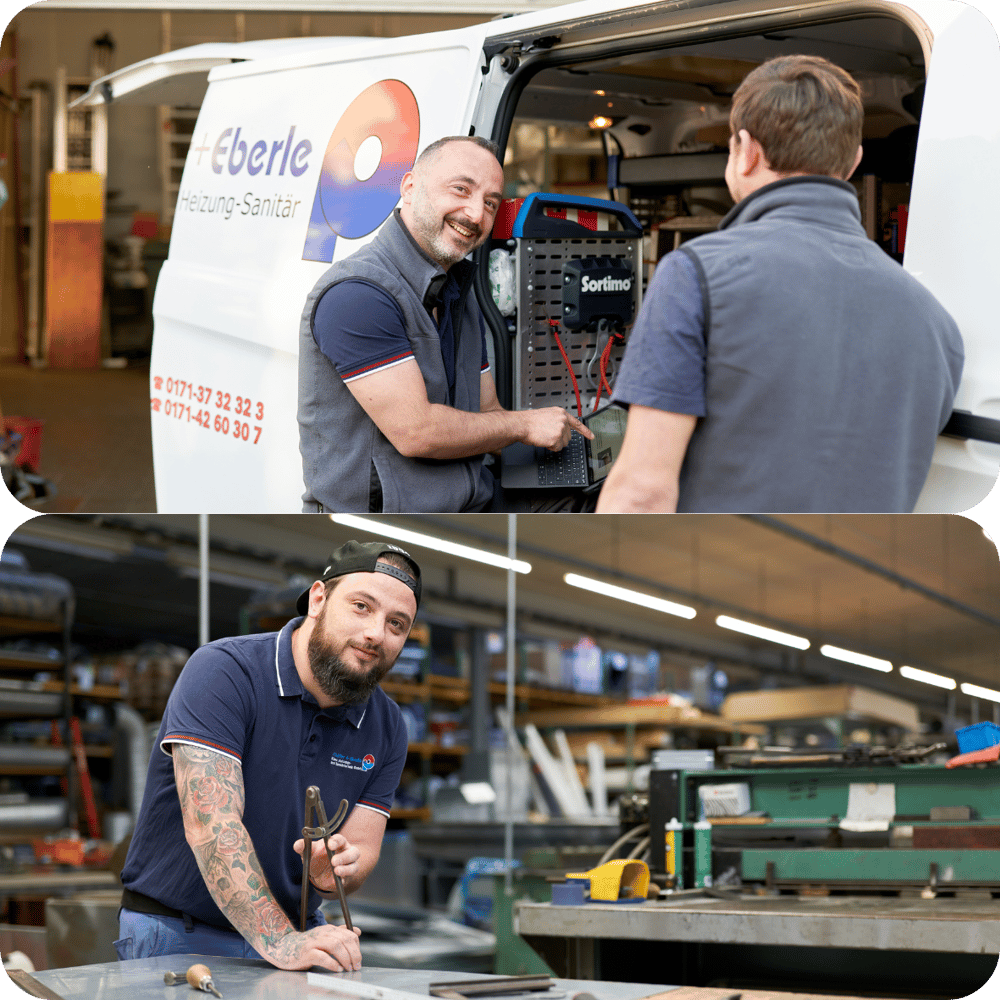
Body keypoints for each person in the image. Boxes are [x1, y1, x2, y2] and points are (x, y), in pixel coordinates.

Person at [597, 54, 964, 514]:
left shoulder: (695, 275)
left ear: (745, 149)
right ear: (852, 162)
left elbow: (642, 494)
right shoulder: (935, 322)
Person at [116, 540, 421, 972]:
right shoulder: (225, 671)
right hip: (178, 935)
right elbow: (212, 826)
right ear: (319, 599)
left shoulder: (387, 726)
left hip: (295, 933)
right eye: (361, 607)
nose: (376, 633)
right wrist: (280, 939)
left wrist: (333, 873)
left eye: (397, 624)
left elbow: (362, 850)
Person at [298, 135, 591, 514]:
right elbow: (416, 433)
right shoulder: (359, 294)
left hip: (469, 501)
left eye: (490, 203)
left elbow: (488, 412)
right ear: (409, 186)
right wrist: (524, 425)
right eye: (460, 189)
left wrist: (566, 443)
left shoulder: (456, 289)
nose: (475, 214)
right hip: (392, 519)